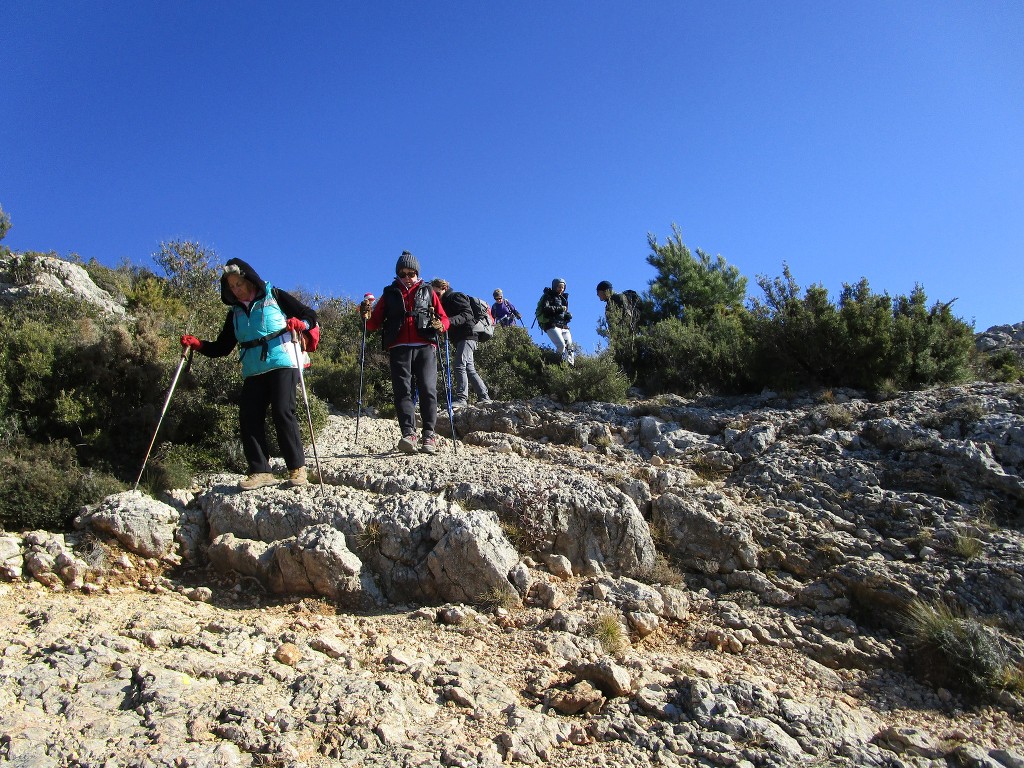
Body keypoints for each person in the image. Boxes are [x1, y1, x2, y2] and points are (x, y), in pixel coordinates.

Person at [180, 258, 318, 490]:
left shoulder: (274, 295)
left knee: (283, 410)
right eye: (231, 286)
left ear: (249, 280)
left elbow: (309, 314)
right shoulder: (234, 314)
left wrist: (301, 324)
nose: (236, 290)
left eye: (238, 284)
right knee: (248, 415)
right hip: (254, 369)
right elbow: (222, 348)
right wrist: (198, 345)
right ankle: (261, 470)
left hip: (284, 361)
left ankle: (297, 469)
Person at [360, 251, 449, 454]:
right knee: (403, 390)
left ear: (417, 273)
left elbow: (444, 318)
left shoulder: (428, 291)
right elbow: (373, 323)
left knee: (428, 388)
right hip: (398, 345)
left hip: (425, 344)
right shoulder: (389, 293)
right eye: (403, 274)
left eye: (411, 273)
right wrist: (365, 314)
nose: (407, 278)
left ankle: (429, 435)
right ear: (398, 274)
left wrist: (441, 325)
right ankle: (409, 434)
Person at [432, 279, 491, 408]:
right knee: (469, 368)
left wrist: (448, 321)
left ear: (444, 288)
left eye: (437, 293)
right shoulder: (443, 304)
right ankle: (484, 397)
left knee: (459, 364)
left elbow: (467, 314)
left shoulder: (455, 296)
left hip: (468, 334)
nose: (435, 296)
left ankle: (462, 399)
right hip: (461, 337)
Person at [536, 278, 574, 366]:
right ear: (554, 287)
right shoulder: (548, 296)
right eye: (559, 287)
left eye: (563, 287)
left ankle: (570, 366)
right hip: (551, 325)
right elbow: (546, 309)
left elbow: (561, 314)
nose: (561, 289)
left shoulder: (564, 298)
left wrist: (567, 316)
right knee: (561, 345)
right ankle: (557, 364)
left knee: (570, 346)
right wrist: (560, 309)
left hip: (563, 326)